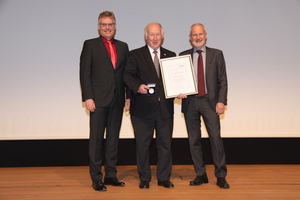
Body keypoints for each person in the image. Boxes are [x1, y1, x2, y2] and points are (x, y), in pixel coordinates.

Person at [79, 11, 130, 191]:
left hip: (117, 100)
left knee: (113, 140)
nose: (107, 27)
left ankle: (111, 175)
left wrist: (128, 96)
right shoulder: (90, 45)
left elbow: (126, 74)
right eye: (104, 24)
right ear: (99, 26)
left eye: (110, 24)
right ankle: (96, 178)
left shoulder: (123, 46)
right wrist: (88, 97)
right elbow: (85, 72)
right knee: (96, 141)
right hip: (98, 101)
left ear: (115, 26)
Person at [123, 22, 176, 189]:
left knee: (165, 145)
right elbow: (127, 75)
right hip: (142, 110)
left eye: (157, 34)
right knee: (142, 146)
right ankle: (144, 178)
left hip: (165, 110)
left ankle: (163, 178)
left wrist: (181, 90)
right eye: (151, 34)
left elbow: (175, 79)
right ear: (146, 36)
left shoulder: (171, 55)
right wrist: (137, 86)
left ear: (162, 36)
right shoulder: (135, 55)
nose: (155, 38)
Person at [177, 23, 230, 189]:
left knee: (215, 139)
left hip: (210, 102)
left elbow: (223, 80)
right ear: (190, 38)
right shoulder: (183, 55)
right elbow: (178, 80)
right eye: (194, 35)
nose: (197, 37)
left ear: (205, 35)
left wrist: (221, 101)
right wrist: (179, 90)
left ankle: (221, 175)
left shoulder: (216, 54)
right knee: (194, 140)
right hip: (190, 102)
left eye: (200, 34)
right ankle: (201, 174)